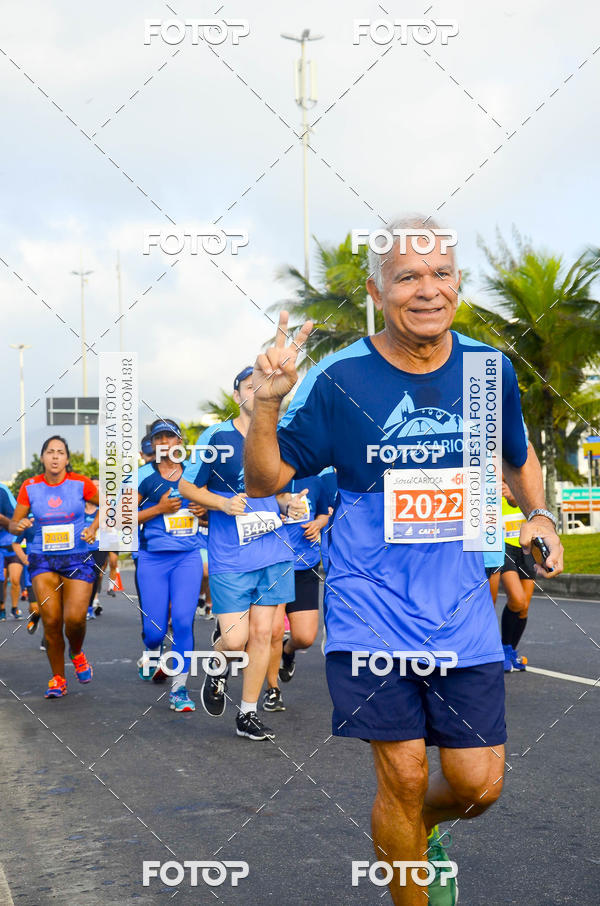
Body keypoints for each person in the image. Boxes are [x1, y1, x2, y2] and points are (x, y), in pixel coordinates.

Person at [244, 215, 564, 906]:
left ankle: (410, 838)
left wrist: (537, 512)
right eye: (408, 277)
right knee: (406, 776)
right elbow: (266, 481)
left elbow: (517, 455)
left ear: (458, 283)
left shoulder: (486, 369)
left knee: (479, 786)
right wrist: (266, 409)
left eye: (441, 273)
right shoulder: (341, 380)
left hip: (463, 610)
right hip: (372, 610)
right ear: (376, 290)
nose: (428, 289)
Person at [178, 366, 294, 741]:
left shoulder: (279, 436)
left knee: (264, 633)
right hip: (231, 556)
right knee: (234, 641)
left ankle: (247, 713)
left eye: (263, 386)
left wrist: (289, 501)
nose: (257, 391)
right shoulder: (217, 436)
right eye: (250, 386)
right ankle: (217, 665)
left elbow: (279, 490)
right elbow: (187, 486)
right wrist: (222, 504)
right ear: (237, 395)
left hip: (274, 552)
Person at [9, 436, 99, 698]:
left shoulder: (80, 483)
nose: (55, 456)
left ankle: (77, 652)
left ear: (67, 459)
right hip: (43, 558)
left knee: (74, 619)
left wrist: (93, 528)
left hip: (76, 557)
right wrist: (21, 525)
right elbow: (14, 524)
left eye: (61, 452)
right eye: (50, 452)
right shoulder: (30, 486)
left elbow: (111, 506)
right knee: (51, 620)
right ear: (42, 458)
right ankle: (58, 678)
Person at [136, 418, 204, 712]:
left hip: (187, 558)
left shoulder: (195, 472)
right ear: (153, 444)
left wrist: (204, 510)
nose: (164, 442)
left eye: (170, 437)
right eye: (159, 438)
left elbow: (212, 510)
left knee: (184, 622)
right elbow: (123, 520)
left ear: (179, 442)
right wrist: (159, 509)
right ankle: (152, 649)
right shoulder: (142, 476)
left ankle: (179, 690)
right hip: (152, 560)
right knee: (154, 630)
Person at [263, 475, 330, 712]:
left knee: (304, 637)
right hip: (276, 562)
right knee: (274, 630)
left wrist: (318, 525)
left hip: (306, 564)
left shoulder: (317, 480)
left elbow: (325, 513)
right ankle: (272, 689)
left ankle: (287, 652)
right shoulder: (271, 477)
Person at [498, 476, 536, 672]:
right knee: (517, 599)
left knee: (524, 607)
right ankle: (503, 649)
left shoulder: (524, 485)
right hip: (503, 547)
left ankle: (511, 651)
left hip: (526, 547)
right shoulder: (490, 488)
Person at [0, 482, 23, 619]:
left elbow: (16, 517)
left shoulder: (2, 489)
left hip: (12, 543)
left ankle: (14, 608)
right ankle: (2, 609)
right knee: (2, 580)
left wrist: (4, 521)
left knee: (15, 579)